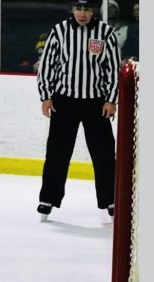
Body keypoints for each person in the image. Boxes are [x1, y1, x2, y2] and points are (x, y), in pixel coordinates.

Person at [36, 0, 120, 219]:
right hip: (65, 101)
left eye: (87, 9)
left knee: (103, 154)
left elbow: (112, 69)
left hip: (96, 103)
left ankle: (110, 200)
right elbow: (48, 65)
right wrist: (46, 96)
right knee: (57, 152)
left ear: (94, 11)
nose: (82, 13)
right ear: (72, 10)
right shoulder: (60, 30)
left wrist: (110, 100)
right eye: (78, 9)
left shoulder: (105, 32)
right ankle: (48, 199)